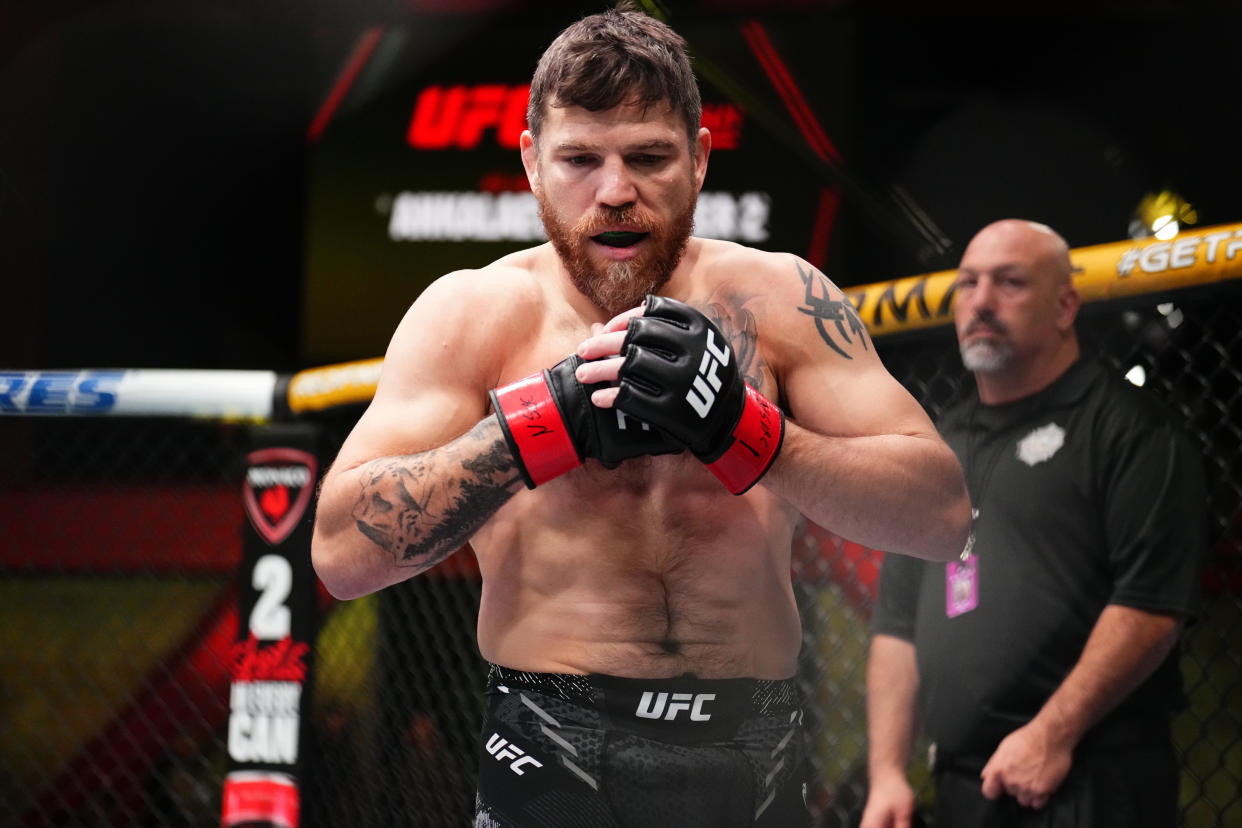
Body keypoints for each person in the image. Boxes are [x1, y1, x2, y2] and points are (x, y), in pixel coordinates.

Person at [310, 5, 971, 826]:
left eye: (649, 157)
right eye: (580, 159)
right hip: (548, 744)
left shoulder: (782, 300)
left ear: (698, 161)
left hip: (754, 748)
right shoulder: (474, 314)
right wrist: (527, 435)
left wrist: (749, 433)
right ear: (531, 164)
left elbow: (943, 518)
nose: (615, 191)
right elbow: (340, 553)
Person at [860, 219, 1209, 828]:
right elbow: (897, 625)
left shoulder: (1127, 428)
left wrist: (1053, 732)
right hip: (965, 788)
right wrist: (888, 772)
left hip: (1086, 778)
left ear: (1065, 303)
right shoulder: (941, 446)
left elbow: (1152, 604)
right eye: (968, 283)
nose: (982, 301)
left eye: (1010, 282)